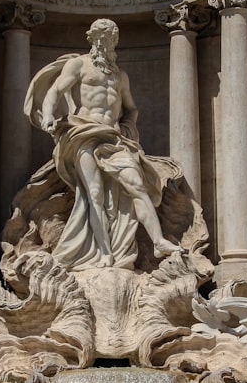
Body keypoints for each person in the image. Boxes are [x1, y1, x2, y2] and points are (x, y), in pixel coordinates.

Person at [25, 18, 181, 270]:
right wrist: (49, 116)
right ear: (92, 39)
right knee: (94, 193)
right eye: (102, 38)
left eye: (111, 39)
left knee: (137, 185)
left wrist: (128, 128)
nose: (106, 43)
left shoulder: (120, 75)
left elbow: (131, 108)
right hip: (83, 132)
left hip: (114, 138)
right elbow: (54, 91)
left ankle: (159, 240)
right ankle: (104, 254)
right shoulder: (79, 65)